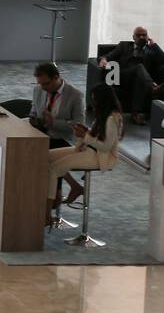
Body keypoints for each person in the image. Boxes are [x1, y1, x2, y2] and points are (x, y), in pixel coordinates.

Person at [45, 84, 122, 226]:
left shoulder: (112, 118)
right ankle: (73, 188)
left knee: (54, 169)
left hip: (102, 157)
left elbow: (105, 147)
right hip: (91, 150)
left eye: (95, 100)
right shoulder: (104, 114)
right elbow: (96, 136)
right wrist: (86, 131)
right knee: (46, 157)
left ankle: (46, 213)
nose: (93, 103)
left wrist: (85, 135)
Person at [99, 27, 164, 123]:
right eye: (138, 35)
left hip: (141, 81)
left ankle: (135, 114)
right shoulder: (124, 45)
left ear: (148, 37)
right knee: (139, 67)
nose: (141, 37)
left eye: (144, 35)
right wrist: (103, 60)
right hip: (124, 76)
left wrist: (155, 46)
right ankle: (153, 88)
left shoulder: (152, 50)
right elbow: (107, 56)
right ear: (133, 37)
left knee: (140, 76)